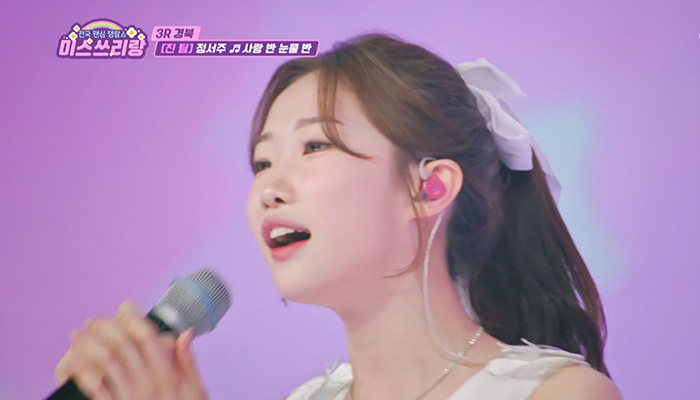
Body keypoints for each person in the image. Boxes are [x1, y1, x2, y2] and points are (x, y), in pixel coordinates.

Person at [54, 33, 623, 400]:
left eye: (314, 146)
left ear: (429, 187)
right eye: (262, 162)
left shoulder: (559, 394)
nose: (268, 190)